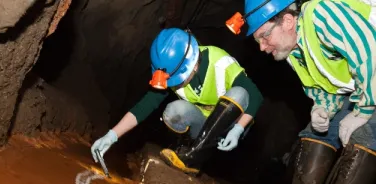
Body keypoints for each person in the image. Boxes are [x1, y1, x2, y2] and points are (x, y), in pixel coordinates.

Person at [227, 0, 376, 184]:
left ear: (287, 21)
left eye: (264, 37)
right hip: (366, 83)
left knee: (367, 133)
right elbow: (324, 87)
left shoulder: (321, 13)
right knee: (318, 130)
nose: (263, 48)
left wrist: (363, 110)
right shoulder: (295, 50)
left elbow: (368, 52)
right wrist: (323, 108)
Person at [91, 27, 264, 175]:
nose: (177, 83)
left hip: (231, 125)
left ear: (194, 64)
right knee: (173, 112)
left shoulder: (220, 62)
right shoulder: (173, 70)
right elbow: (146, 104)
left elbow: (255, 95)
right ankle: (189, 150)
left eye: (179, 77)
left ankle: (193, 157)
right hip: (202, 125)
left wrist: (238, 129)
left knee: (239, 93)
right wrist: (111, 136)